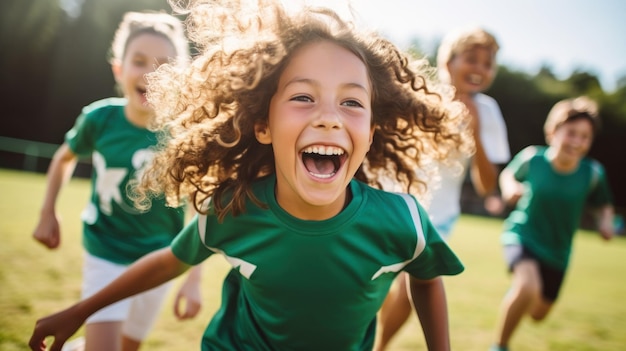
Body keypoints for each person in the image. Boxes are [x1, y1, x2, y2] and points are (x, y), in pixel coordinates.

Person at [29, 0, 474, 350]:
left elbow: (426, 279)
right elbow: (168, 261)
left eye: (352, 102)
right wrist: (80, 311)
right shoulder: (234, 210)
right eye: (303, 97)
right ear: (263, 125)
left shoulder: (404, 222)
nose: (330, 118)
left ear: (371, 131)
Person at [31, 11, 203, 351]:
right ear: (119, 69)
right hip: (105, 251)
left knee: (126, 347)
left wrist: (194, 278)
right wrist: (48, 211)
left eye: (164, 65)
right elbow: (64, 157)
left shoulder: (186, 135)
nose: (151, 73)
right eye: (139, 61)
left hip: (159, 261)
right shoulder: (100, 119)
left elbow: (202, 205)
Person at [375, 27, 511, 350]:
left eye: (488, 64)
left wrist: (475, 130)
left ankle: (379, 347)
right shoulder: (421, 96)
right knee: (378, 285)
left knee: (415, 285)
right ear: (449, 63)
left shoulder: (488, 112)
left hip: (439, 216)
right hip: (392, 202)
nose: (479, 69)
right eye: (472, 59)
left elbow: (487, 186)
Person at [489, 96, 615, 351]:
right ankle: (499, 346)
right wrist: (511, 188)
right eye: (571, 133)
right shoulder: (533, 159)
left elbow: (604, 203)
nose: (577, 142)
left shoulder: (592, 173)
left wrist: (606, 222)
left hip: (558, 251)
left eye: (584, 137)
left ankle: (518, 299)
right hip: (522, 235)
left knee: (537, 314)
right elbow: (509, 175)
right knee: (527, 286)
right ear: (553, 132)